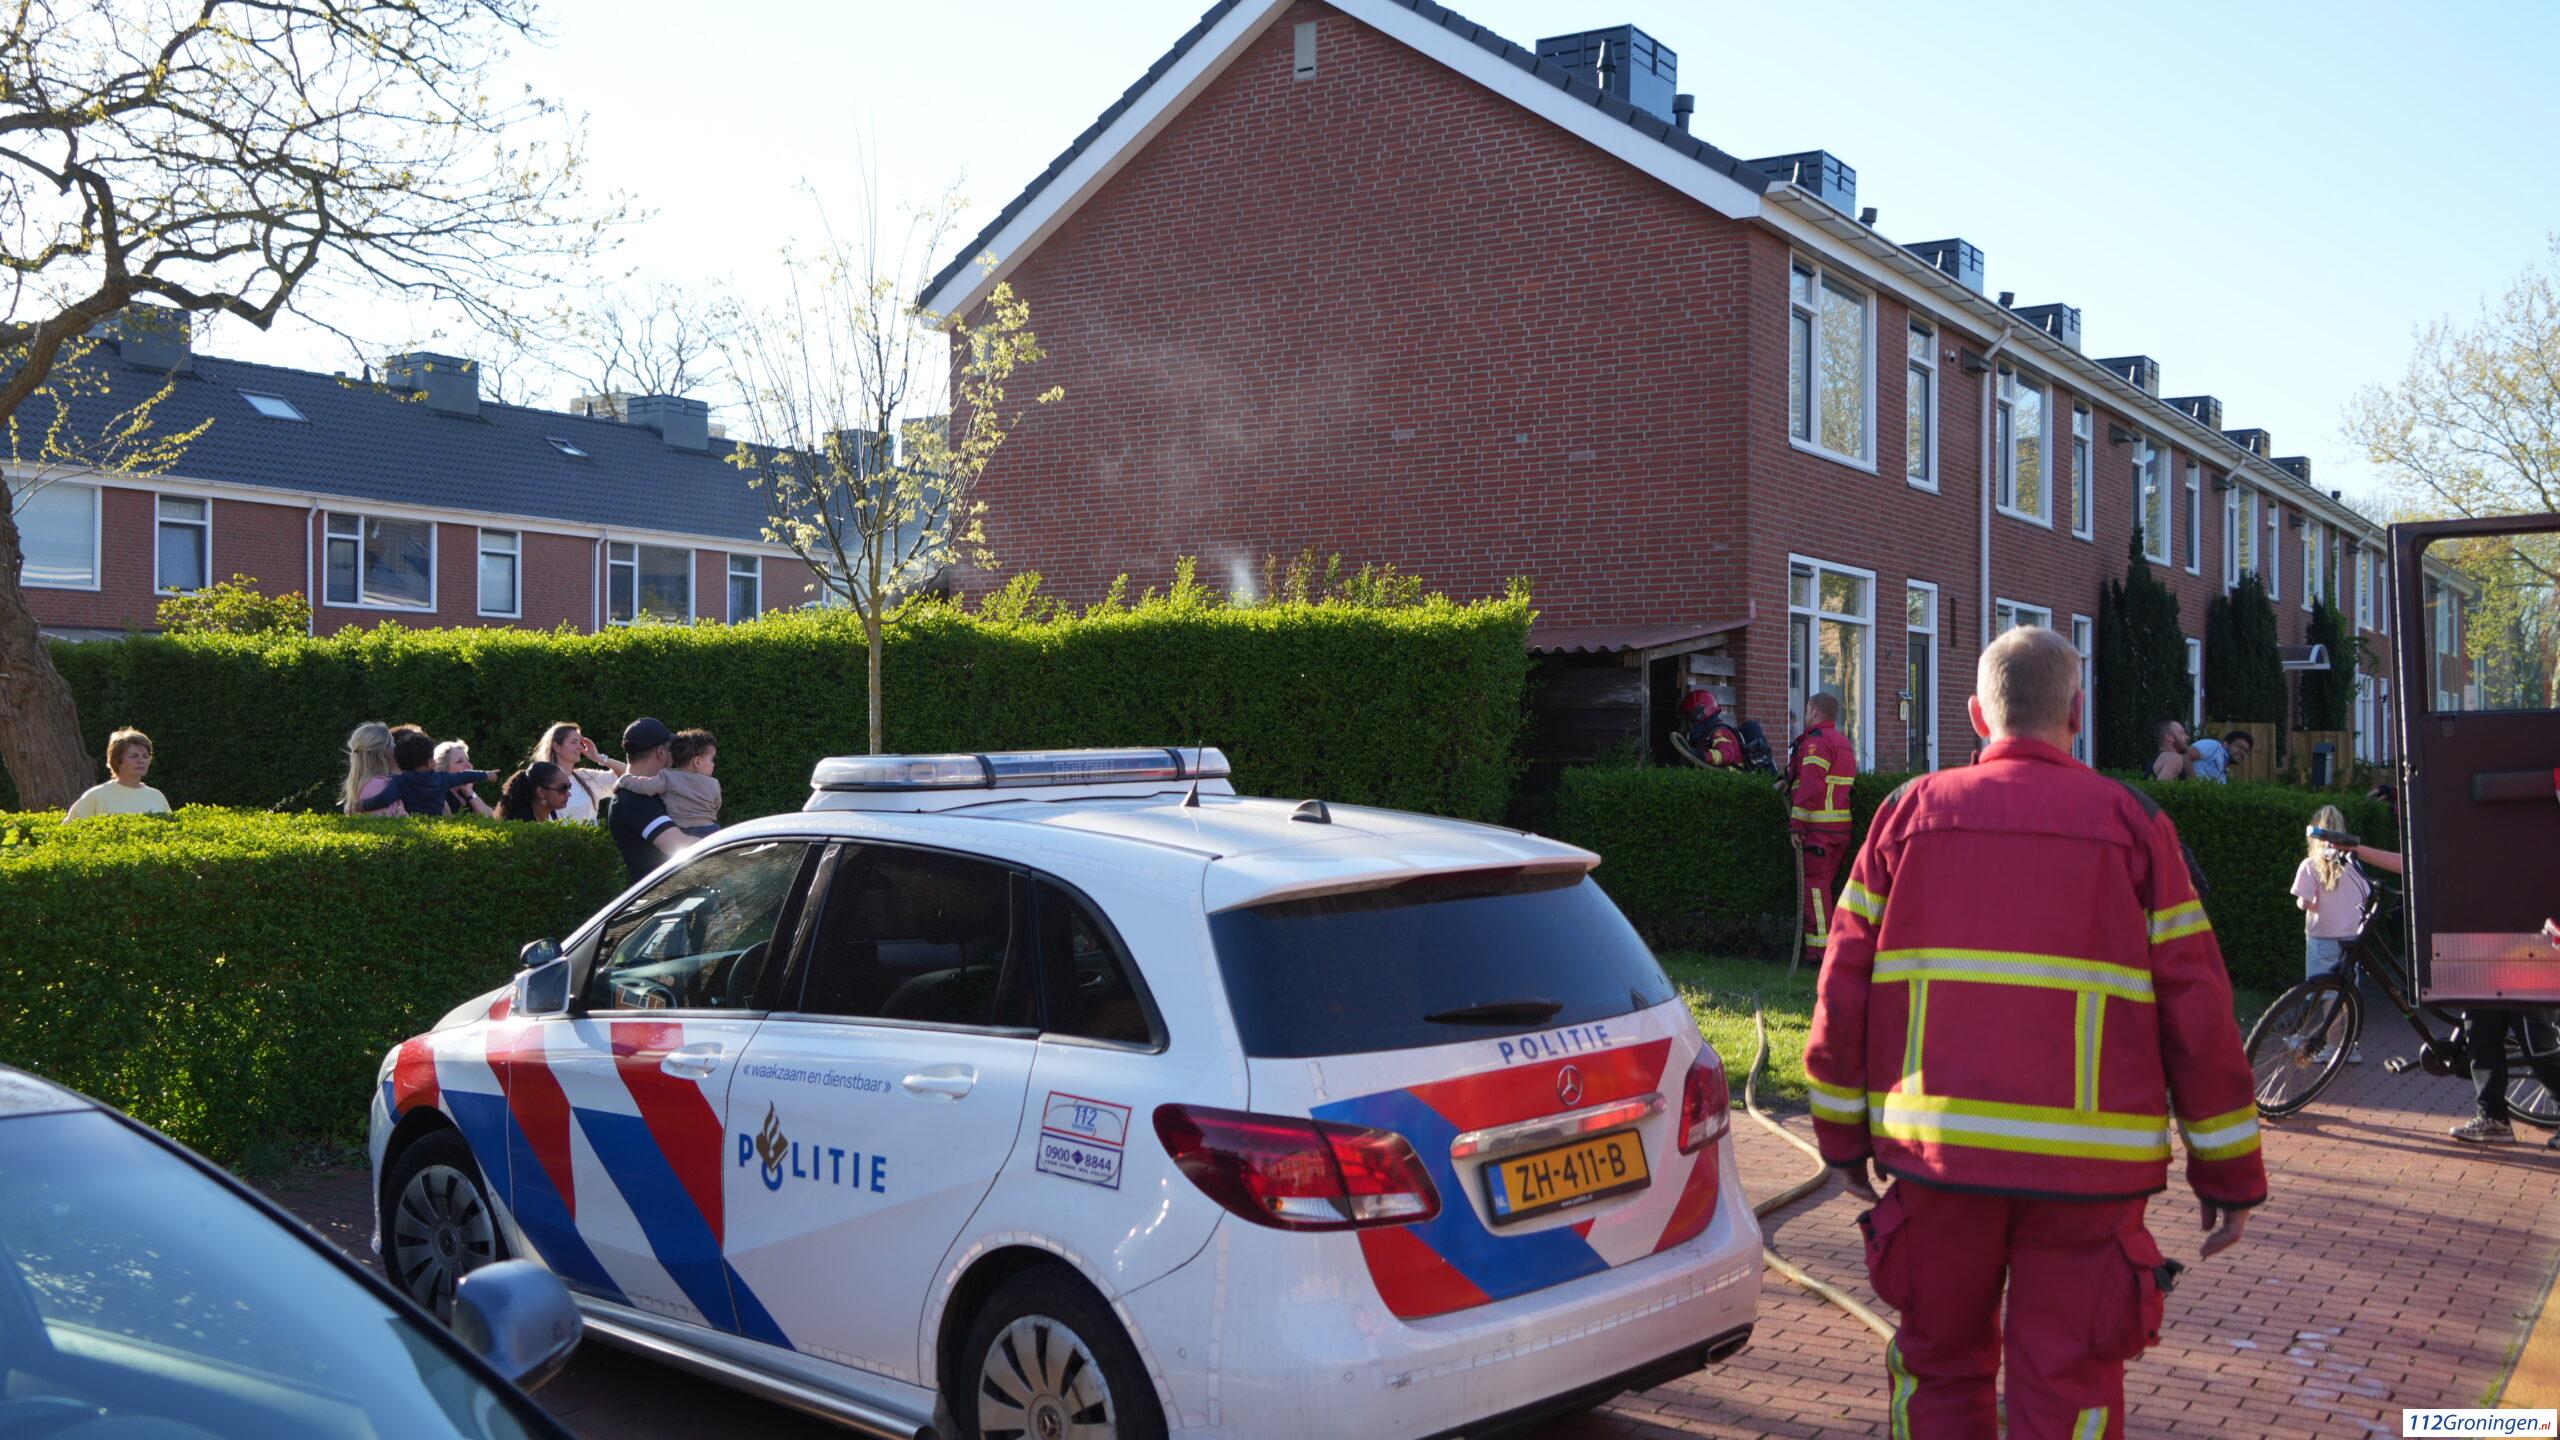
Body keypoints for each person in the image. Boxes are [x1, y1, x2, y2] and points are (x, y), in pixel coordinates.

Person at [1805, 626, 2264, 1440]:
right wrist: (2226, 1172)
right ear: (2077, 712)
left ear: (1978, 716)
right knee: (2070, 1383)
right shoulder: (2135, 825)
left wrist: (1842, 1142)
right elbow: (2199, 1007)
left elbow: (1841, 989)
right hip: (2089, 1179)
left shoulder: (1906, 817)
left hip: (1938, 1163)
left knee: (1939, 1372)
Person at [2291, 805, 2369, 1065]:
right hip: (2350, 939)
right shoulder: (2352, 863)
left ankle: (2331, 1047)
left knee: (2327, 994)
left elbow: (2305, 902)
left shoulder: (2310, 865)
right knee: (2348, 993)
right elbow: (2366, 893)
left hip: (2322, 936)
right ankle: (2351, 1046)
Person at [1787, 692, 1857, 958]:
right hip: (1839, 830)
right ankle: (1829, 949)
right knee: (1824, 887)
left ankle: (1819, 953)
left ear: (1815, 710)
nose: (1805, 713)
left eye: (1806, 709)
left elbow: (1812, 784)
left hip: (1819, 831)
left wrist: (1797, 824)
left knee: (1815, 889)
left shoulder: (1817, 742)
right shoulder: (1843, 742)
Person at [607, 717, 689, 881]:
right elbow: (680, 846)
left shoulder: (640, 794)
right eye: (670, 748)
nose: (673, 753)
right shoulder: (633, 801)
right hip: (669, 902)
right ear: (660, 752)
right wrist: (728, 842)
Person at [357, 728, 495, 817]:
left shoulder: (399, 782)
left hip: (416, 825)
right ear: (429, 762)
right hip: (438, 825)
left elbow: (384, 799)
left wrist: (362, 805)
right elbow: (465, 776)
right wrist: (487, 774)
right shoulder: (441, 778)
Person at [616, 727, 722, 836]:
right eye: (712, 759)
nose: (713, 764)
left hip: (683, 832)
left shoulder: (667, 776)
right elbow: (716, 806)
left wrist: (624, 780)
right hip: (712, 830)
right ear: (698, 762)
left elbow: (645, 786)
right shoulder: (714, 783)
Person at [530, 721, 627, 825]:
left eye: (580, 742)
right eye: (574, 742)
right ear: (557, 747)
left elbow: (628, 776)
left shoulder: (586, 777)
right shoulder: (541, 783)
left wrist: (599, 758)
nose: (580, 747)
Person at [65, 728, 171, 820]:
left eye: (145, 756)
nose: (141, 760)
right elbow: (67, 833)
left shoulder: (156, 797)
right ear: (117, 760)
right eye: (134, 756)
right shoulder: (96, 796)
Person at [1669, 688, 1744, 769]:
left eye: (1690, 719)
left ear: (1699, 713)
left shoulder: (1719, 733)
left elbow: (1727, 755)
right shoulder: (1706, 734)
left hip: (1731, 779)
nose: (1690, 724)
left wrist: (1703, 756)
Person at [342, 722, 404, 817]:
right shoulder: (382, 786)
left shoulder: (362, 784)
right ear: (383, 753)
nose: (395, 747)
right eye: (392, 743)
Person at [433, 740, 497, 818]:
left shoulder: (464, 791)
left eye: (467, 760)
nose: (469, 765)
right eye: (459, 762)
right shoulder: (441, 796)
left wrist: (469, 792)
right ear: (444, 769)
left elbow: (493, 817)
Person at [495, 761, 575, 822]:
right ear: (541, 792)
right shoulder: (521, 823)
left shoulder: (551, 812)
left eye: (569, 786)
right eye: (563, 788)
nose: (569, 794)